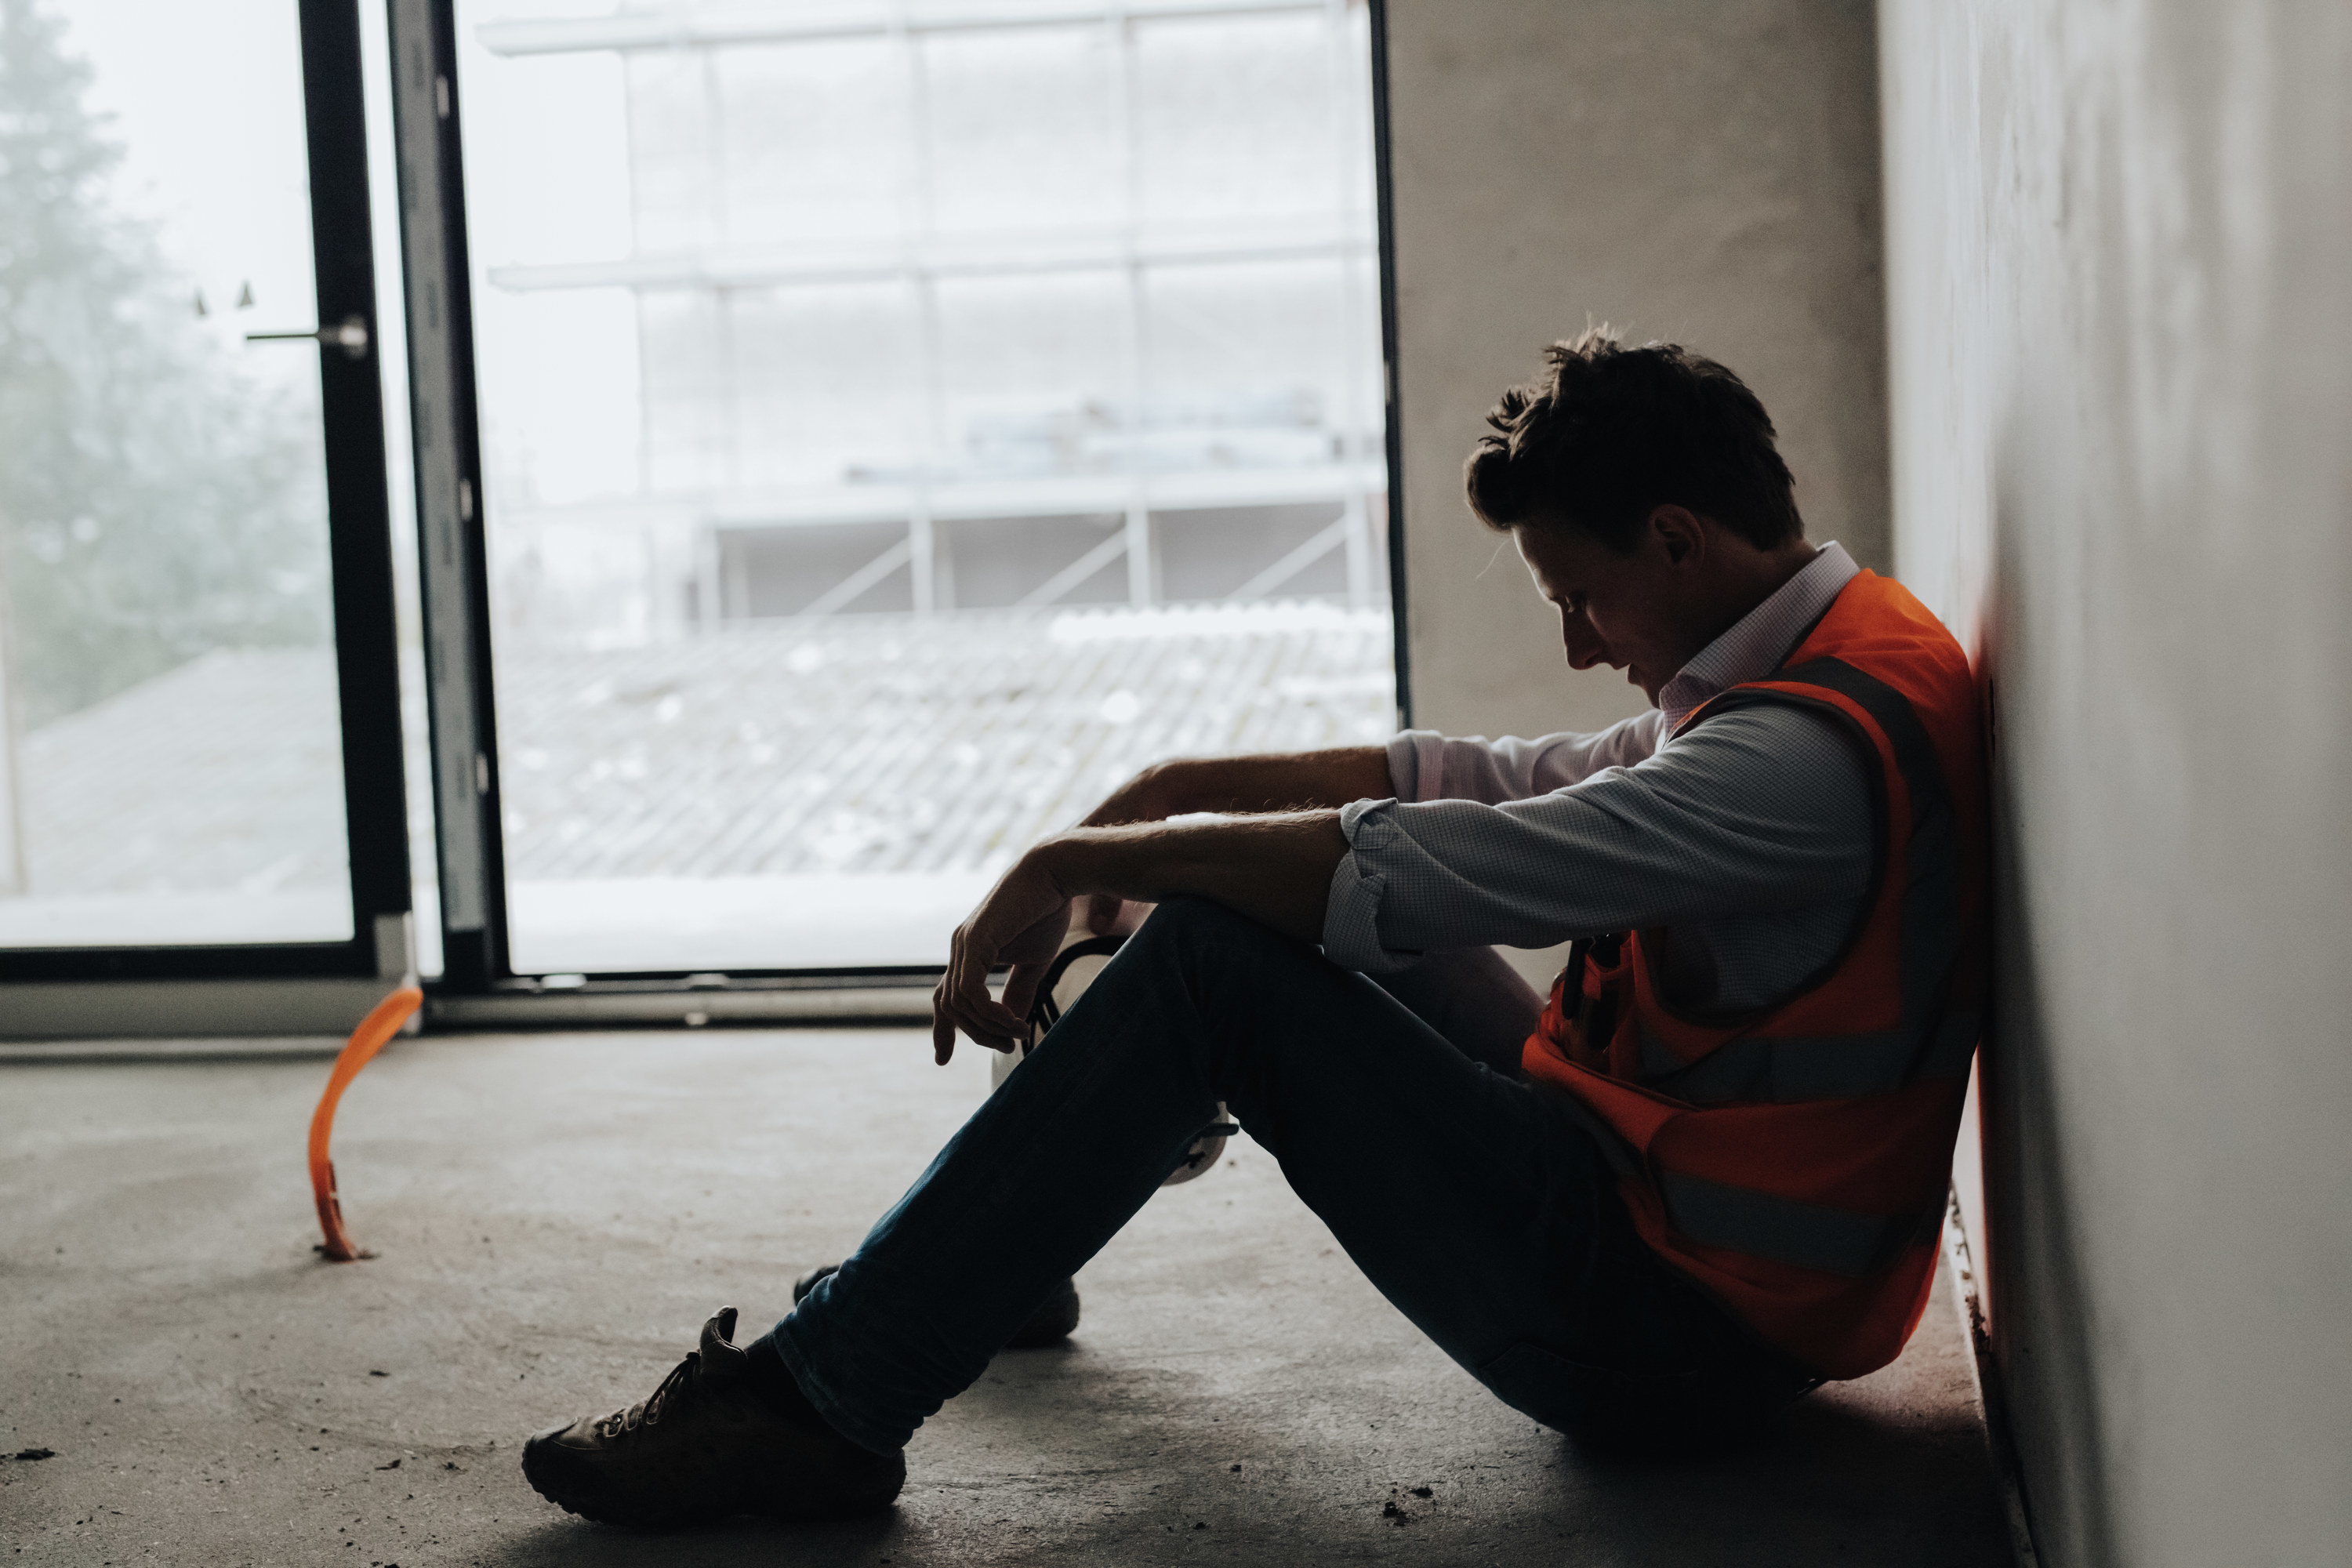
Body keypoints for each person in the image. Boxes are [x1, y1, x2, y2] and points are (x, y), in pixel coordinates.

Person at [517, 329, 1989, 1529]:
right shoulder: (1835, 651)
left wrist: (1079, 858)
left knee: (1228, 957)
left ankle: (821, 1402)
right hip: (1663, 1221)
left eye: (1581, 598)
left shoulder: (1794, 761)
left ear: (1675, 538)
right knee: (1249, 894)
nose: (1577, 645)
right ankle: (1006, 1254)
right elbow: (1481, 776)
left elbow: (1426, 866)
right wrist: (1166, 797)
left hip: (1673, 1334)